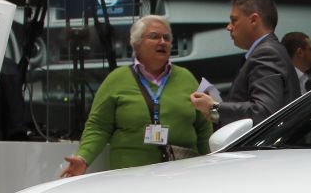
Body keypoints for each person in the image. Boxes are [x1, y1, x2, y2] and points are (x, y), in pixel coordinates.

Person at [61, 15, 212, 177]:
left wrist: (212, 165)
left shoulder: (186, 78)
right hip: (130, 176)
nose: (162, 42)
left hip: (181, 175)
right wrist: (83, 158)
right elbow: (98, 126)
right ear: (137, 43)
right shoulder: (117, 79)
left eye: (166, 38)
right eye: (154, 36)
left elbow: (203, 127)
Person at [190, 0, 300, 127]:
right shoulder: (270, 50)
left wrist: (213, 107)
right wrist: (214, 108)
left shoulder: (266, 53)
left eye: (234, 20)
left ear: (254, 20)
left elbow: (264, 112)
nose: (228, 27)